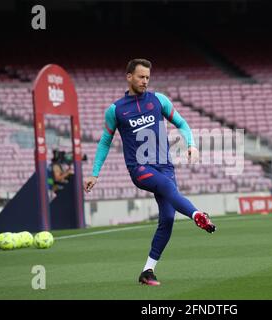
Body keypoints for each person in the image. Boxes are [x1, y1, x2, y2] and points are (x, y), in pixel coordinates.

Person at [83, 59, 216, 286]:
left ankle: (147, 271)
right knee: (167, 187)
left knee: (167, 218)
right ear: (129, 77)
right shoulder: (115, 110)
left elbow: (182, 124)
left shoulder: (158, 100)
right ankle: (197, 215)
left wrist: (191, 144)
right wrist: (95, 173)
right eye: (140, 76)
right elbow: (105, 142)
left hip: (165, 166)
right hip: (140, 168)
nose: (145, 81)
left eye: (147, 77)